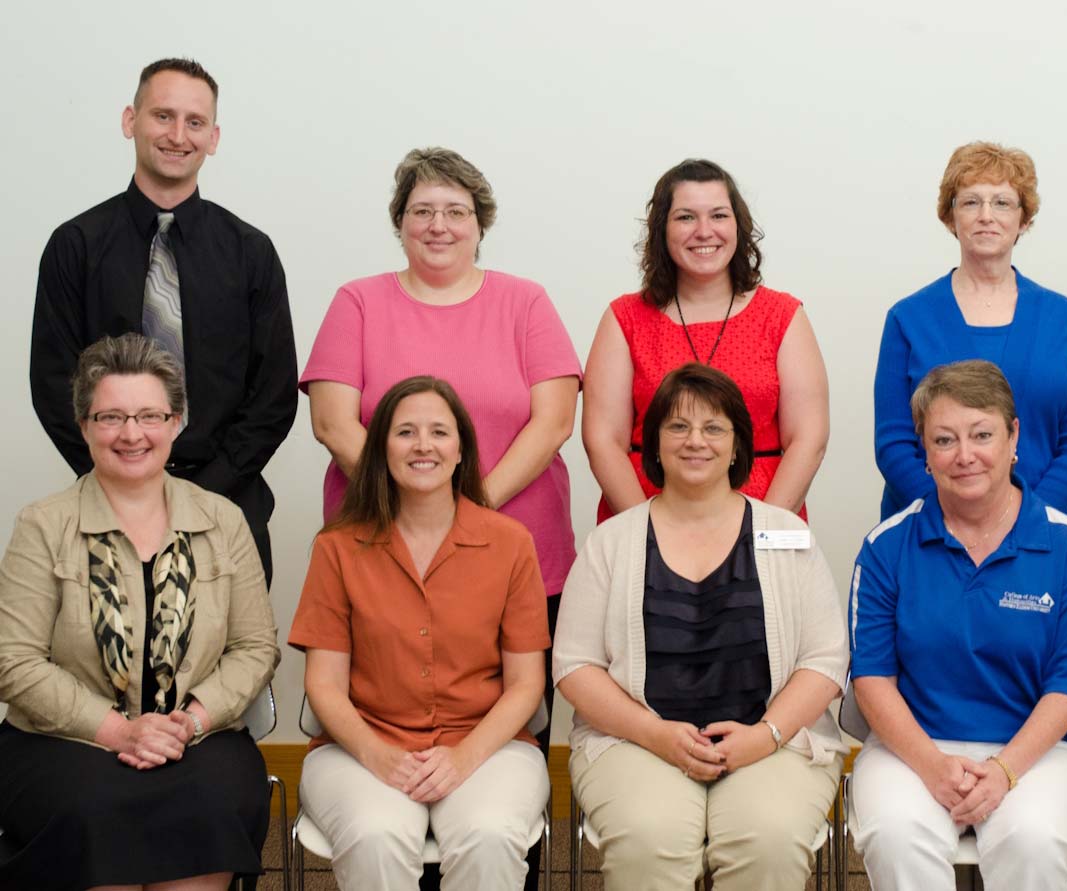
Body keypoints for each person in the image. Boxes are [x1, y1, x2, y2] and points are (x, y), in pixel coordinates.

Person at [299, 147, 579, 885]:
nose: (439, 225)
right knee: (383, 817)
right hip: (377, 551)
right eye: (422, 210)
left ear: (481, 224)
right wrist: (410, 501)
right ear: (399, 223)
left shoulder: (525, 302)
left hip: (518, 555)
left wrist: (462, 509)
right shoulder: (358, 302)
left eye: (456, 211)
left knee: (495, 789)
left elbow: (553, 421)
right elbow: (332, 421)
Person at [0, 333, 280, 891]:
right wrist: (119, 732)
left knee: (211, 802)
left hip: (197, 736)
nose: (132, 434)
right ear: (84, 426)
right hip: (65, 742)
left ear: (176, 423)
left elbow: (255, 648)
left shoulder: (224, 520)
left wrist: (189, 722)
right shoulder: (43, 525)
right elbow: (15, 662)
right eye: (111, 417)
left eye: (150, 415)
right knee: (93, 808)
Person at [555, 363, 847, 889]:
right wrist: (653, 733)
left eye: (714, 427)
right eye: (678, 426)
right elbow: (575, 666)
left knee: (768, 840)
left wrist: (765, 736)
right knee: (649, 840)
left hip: (772, 740)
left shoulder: (784, 534)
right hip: (636, 741)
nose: (696, 441)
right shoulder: (611, 542)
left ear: (737, 446)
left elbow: (825, 658)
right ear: (654, 443)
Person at [30, 58, 298, 582]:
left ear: (213, 138)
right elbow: (54, 384)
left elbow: (273, 396)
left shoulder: (251, 253)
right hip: (107, 510)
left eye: (194, 122)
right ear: (130, 120)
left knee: (237, 640)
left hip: (228, 510)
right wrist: (125, 481)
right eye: (163, 116)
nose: (178, 135)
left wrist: (202, 494)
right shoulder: (75, 246)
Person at [848, 359, 1067, 891]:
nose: (964, 455)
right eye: (944, 440)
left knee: (1031, 839)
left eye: (982, 435)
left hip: (1038, 753)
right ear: (924, 453)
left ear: (1014, 437)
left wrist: (1005, 770)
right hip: (911, 748)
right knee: (897, 835)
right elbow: (871, 679)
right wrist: (932, 765)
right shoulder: (886, 547)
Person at [289, 376, 551, 891]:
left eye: (439, 432)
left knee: (489, 835)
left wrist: (463, 758)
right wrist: (379, 755)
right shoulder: (337, 547)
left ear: (461, 449)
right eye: (405, 432)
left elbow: (526, 684)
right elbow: (323, 685)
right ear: (381, 449)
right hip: (361, 747)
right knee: (375, 836)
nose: (423, 445)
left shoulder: (511, 543)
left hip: (487, 746)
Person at [582, 158, 828, 523]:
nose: (704, 231)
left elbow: (809, 439)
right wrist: (648, 533)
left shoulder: (783, 315)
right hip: (643, 513)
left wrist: (760, 532)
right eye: (685, 217)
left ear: (738, 225)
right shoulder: (624, 318)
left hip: (767, 512)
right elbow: (603, 441)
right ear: (662, 229)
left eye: (718, 216)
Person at [874, 143, 1067, 520]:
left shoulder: (1062, 317)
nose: (986, 216)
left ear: (1024, 220)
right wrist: (951, 518)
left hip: (1039, 527)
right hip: (928, 529)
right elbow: (893, 442)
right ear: (950, 217)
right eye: (971, 202)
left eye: (1002, 203)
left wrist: (1031, 519)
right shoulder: (907, 318)